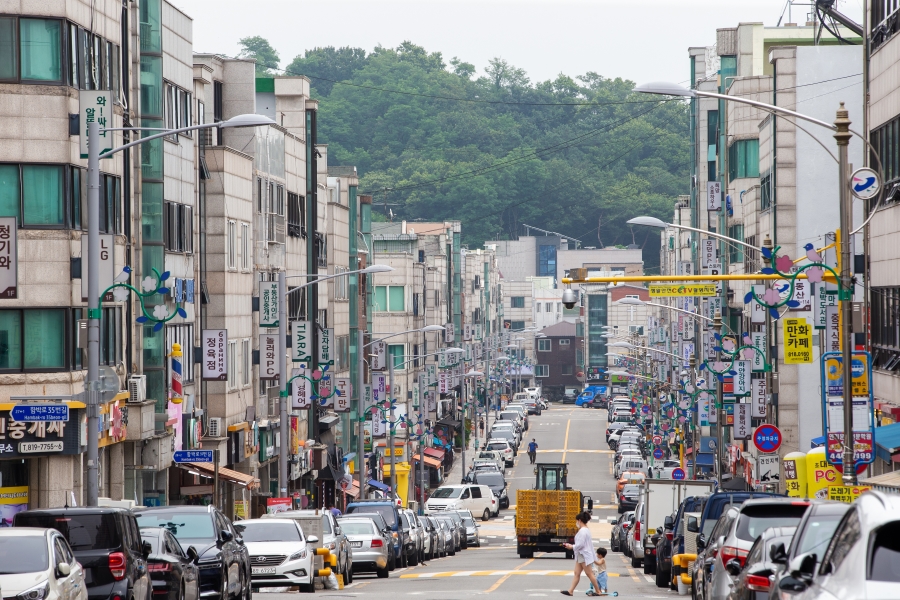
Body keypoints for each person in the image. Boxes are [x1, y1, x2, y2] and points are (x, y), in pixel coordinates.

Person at [560, 512, 601, 596]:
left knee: (589, 573)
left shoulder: (583, 531)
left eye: (577, 521)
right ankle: (570, 591)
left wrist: (571, 546)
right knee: (577, 573)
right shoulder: (586, 530)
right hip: (581, 554)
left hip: (583, 554)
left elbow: (580, 544)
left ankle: (598, 591)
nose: (577, 523)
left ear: (580, 520)